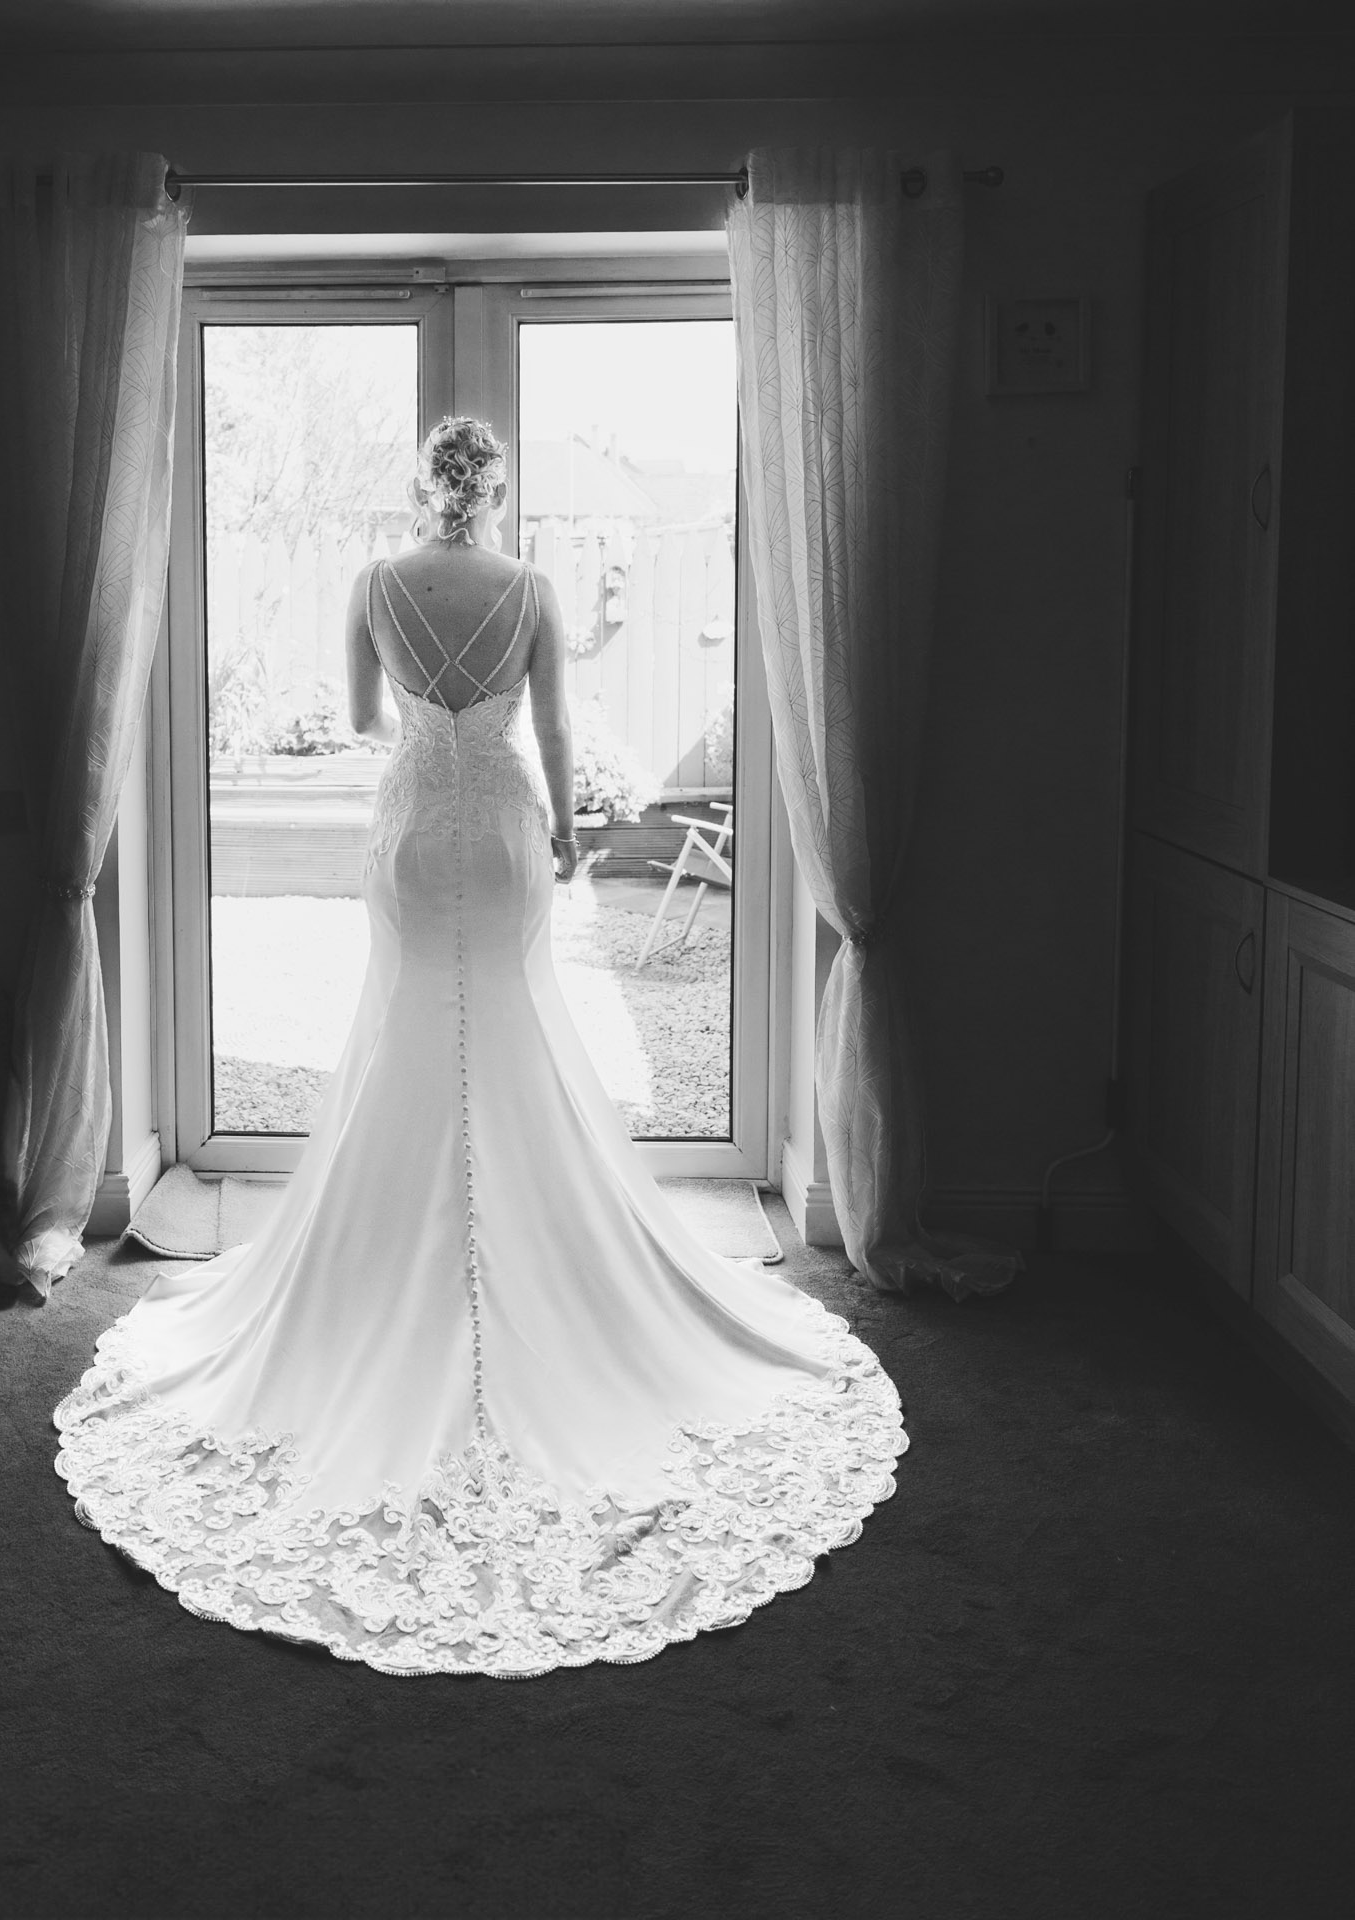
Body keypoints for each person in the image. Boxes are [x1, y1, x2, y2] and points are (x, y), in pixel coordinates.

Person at [55, 417, 905, 1678]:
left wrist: (425, 717)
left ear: (422, 488)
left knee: (406, 1041)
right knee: (508, 1037)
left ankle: (392, 1260)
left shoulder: (376, 587)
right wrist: (559, 833)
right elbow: (555, 736)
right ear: (495, 492)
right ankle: (531, 1248)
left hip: (412, 836)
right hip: (502, 833)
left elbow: (362, 719)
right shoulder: (533, 591)